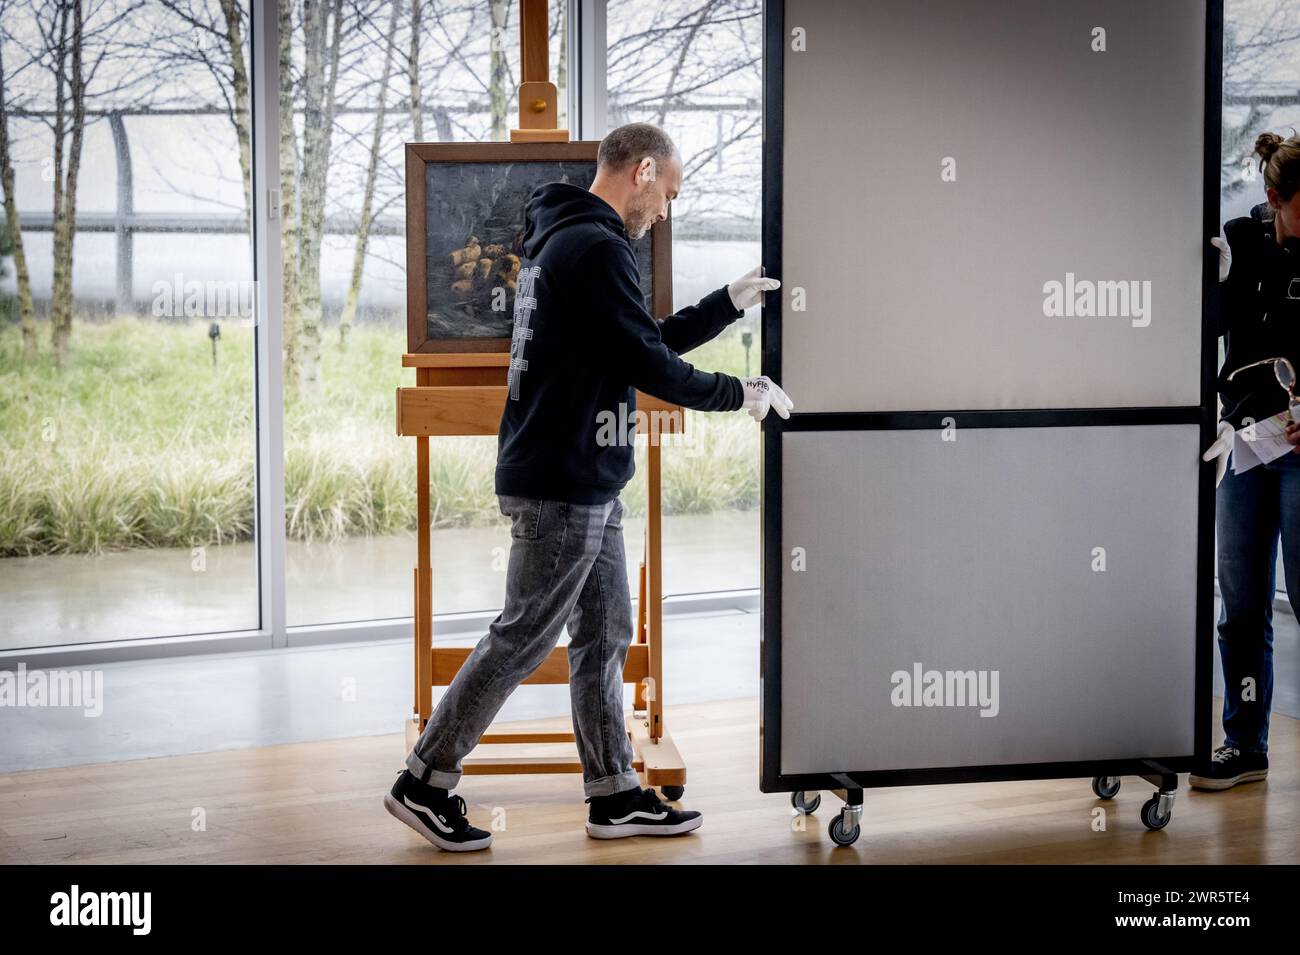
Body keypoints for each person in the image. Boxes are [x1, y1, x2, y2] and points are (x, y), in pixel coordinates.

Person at [384, 122, 793, 850]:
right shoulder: (597, 247)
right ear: (640, 171)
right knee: (523, 635)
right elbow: (651, 365)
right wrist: (743, 394)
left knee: (604, 635)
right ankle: (424, 779)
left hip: (580, 477)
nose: (665, 210)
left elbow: (636, 339)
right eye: (667, 193)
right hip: (564, 481)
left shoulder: (564, 240)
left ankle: (615, 793)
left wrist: (727, 303)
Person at [1194, 130, 1300, 791]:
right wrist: (1217, 277)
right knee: (1240, 601)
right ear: (1275, 199)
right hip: (1246, 442)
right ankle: (1245, 742)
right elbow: (1215, 329)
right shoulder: (1242, 237)